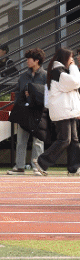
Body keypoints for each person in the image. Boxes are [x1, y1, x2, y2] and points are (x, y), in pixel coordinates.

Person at [35, 47, 80, 175]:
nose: (72, 60)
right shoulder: (57, 71)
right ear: (65, 58)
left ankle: (74, 168)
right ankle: (42, 162)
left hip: (68, 110)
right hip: (63, 111)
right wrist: (73, 67)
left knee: (73, 140)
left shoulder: (61, 71)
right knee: (65, 140)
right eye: (71, 57)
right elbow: (75, 82)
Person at [8, 48, 49, 174]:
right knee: (21, 140)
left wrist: (34, 92)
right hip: (25, 111)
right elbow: (18, 92)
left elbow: (49, 93)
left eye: (29, 59)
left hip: (39, 111)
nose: (26, 61)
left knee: (38, 140)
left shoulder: (46, 76)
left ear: (36, 60)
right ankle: (19, 167)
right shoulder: (23, 76)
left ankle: (37, 167)